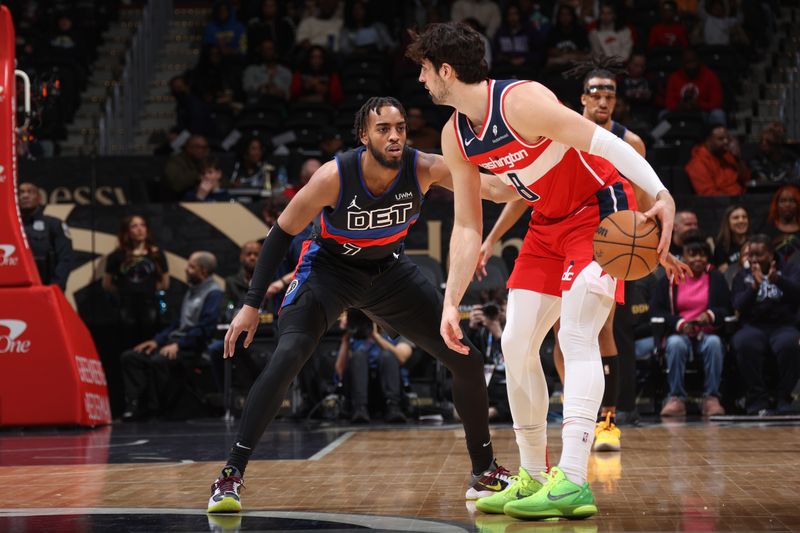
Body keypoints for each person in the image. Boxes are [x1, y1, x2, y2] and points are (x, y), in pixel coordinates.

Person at [407, 22, 687, 520]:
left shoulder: (521, 101)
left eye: (426, 70)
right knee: (516, 342)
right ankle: (533, 476)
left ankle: (574, 480)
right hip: (545, 226)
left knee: (576, 336)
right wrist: (451, 302)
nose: (422, 81)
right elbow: (468, 226)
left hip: (597, 214)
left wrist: (661, 194)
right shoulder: (456, 135)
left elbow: (604, 143)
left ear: (446, 70)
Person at [207, 97, 516, 514]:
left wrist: (533, 175)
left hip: (388, 273)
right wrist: (249, 304)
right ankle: (231, 475)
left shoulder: (424, 167)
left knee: (465, 357)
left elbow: (492, 186)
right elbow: (280, 233)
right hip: (328, 272)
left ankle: (483, 473)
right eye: (383, 129)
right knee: (289, 355)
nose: (394, 137)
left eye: (401, 128)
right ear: (363, 136)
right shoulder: (333, 176)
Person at [473, 59, 647, 458]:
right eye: (596, 92)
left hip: (613, 232)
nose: (604, 99)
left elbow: (646, 193)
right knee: (551, 335)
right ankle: (573, 417)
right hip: (554, 231)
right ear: (583, 98)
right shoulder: (559, 126)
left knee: (595, 332)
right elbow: (518, 188)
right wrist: (492, 237)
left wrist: (660, 243)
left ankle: (606, 420)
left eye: (611, 93)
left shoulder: (629, 141)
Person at [121, 251, 223, 420]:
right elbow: (177, 324)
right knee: (131, 357)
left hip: (194, 347)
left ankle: (157, 410)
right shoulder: (191, 291)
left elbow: (205, 329)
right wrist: (156, 341)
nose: (186, 269)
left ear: (203, 271)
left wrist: (179, 345)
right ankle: (136, 406)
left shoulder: (213, 293)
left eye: (191, 266)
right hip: (176, 342)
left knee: (159, 362)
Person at [651, 232, 729, 417]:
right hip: (680, 333)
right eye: (692, 254)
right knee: (675, 344)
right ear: (683, 256)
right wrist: (679, 323)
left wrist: (709, 316)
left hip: (706, 332)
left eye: (702, 254)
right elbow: (656, 310)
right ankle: (676, 398)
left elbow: (727, 308)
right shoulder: (670, 278)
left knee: (714, 344)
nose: (698, 259)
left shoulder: (715, 277)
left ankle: (711, 398)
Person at [731, 234, 800, 415]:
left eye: (759, 255)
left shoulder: (789, 269)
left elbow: (797, 295)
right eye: (751, 255)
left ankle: (783, 397)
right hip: (753, 326)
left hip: (783, 326)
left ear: (771, 254)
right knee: (744, 343)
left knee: (789, 344)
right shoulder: (743, 275)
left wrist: (779, 280)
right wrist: (753, 287)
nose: (754, 259)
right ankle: (757, 398)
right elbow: (737, 305)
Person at [103, 215, 170, 347]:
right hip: (127, 305)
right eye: (134, 226)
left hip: (149, 304)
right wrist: (125, 290)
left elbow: (165, 283)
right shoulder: (117, 256)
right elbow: (107, 284)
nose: (140, 229)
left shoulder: (156, 254)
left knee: (149, 339)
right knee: (128, 340)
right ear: (127, 231)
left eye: (142, 225)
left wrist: (149, 289)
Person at [335, 309, 411, 423]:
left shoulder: (396, 334)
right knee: (358, 356)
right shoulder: (354, 338)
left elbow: (402, 357)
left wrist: (376, 336)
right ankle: (359, 408)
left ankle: (393, 407)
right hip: (360, 392)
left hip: (387, 388)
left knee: (387, 356)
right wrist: (346, 338)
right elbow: (340, 370)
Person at [17, 182, 73, 290]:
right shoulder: (9, 226)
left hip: (47, 288)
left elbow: (65, 259)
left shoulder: (54, 225)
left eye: (30, 192)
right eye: (21, 192)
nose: (25, 195)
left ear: (39, 198)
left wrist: (55, 288)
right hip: (17, 290)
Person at [664, 48, 725, 126]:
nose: (691, 65)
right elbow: (669, 104)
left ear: (699, 61)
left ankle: (718, 137)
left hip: (703, 112)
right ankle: (663, 138)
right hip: (679, 112)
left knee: (718, 114)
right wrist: (681, 106)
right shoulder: (674, 77)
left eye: (693, 61)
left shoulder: (710, 76)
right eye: (687, 62)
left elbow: (717, 103)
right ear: (682, 63)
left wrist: (698, 105)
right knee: (663, 114)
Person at [684, 124, 750, 196]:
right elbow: (708, 195)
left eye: (727, 138)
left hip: (743, 199)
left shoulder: (728, 155)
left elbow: (746, 179)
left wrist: (738, 158)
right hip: (723, 204)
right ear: (708, 140)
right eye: (720, 139)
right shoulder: (697, 164)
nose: (726, 141)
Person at [748, 122, 800, 186]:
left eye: (769, 142)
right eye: (761, 142)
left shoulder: (791, 161)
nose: (764, 145)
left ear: (776, 145)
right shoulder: (756, 161)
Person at [241, 39, 292, 104]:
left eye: (270, 49)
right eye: (264, 49)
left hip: (278, 108)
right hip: (256, 107)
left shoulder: (285, 72)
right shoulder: (251, 70)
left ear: (275, 51)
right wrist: (263, 88)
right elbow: (247, 88)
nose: (267, 52)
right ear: (261, 51)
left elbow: (288, 94)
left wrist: (280, 92)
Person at [162, 134, 210, 201]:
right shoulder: (176, 162)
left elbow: (224, 182)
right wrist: (198, 174)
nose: (201, 150)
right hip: (178, 202)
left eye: (204, 147)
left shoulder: (207, 161)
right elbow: (176, 184)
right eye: (197, 147)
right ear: (188, 148)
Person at [764, 184, 800, 264]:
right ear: (776, 205)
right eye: (783, 201)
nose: (787, 205)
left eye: (792, 201)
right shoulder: (767, 228)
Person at [714, 205, 750, 272]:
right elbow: (723, 272)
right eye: (736, 218)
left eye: (744, 217)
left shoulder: (754, 242)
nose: (741, 220)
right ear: (727, 222)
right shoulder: (721, 246)